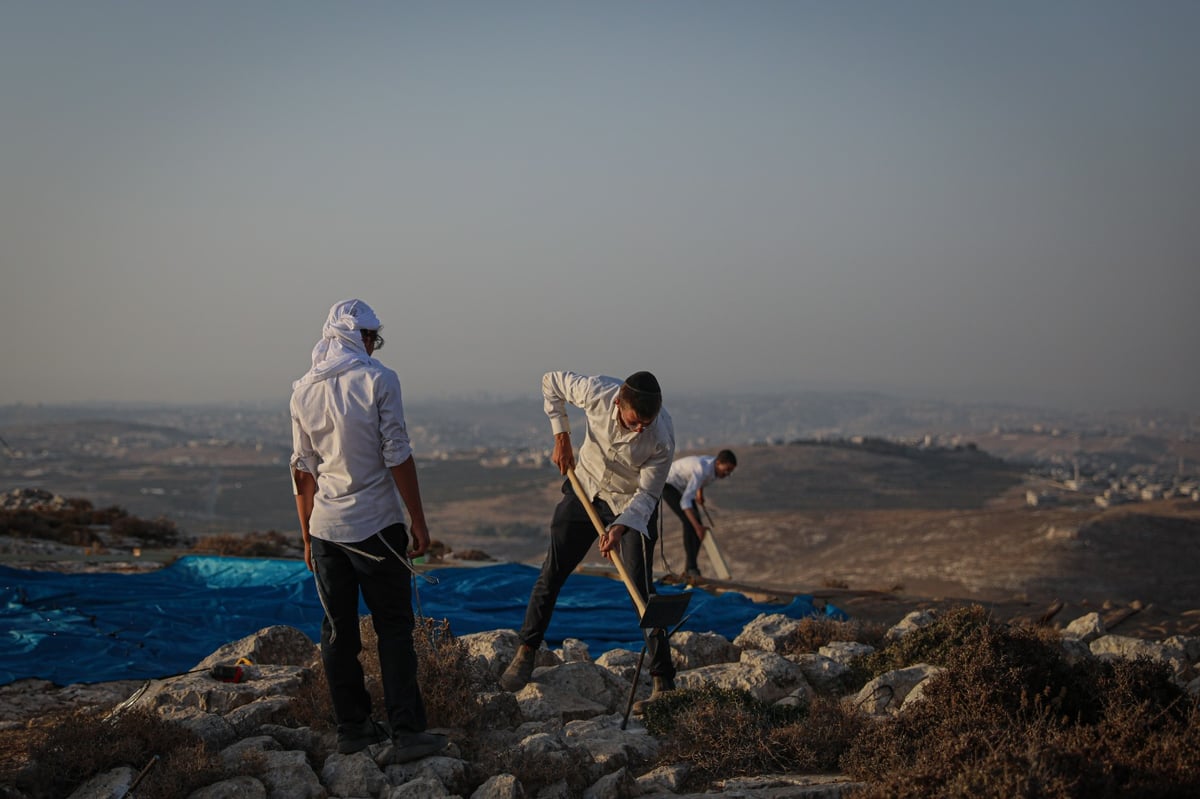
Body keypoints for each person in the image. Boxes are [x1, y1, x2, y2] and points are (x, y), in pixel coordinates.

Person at [290, 299, 448, 762]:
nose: (373, 344)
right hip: (376, 525)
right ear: (355, 337)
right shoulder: (379, 380)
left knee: (338, 632)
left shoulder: (302, 390)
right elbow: (396, 452)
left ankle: (353, 729)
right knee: (394, 629)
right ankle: (407, 732)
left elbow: (303, 471)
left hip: (325, 531)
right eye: (369, 336)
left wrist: (305, 538)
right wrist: (417, 520)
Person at [500, 370, 678, 712]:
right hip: (586, 489)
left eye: (647, 421)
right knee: (552, 572)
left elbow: (648, 494)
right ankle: (526, 650)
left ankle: (663, 681)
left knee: (640, 589)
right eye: (635, 420)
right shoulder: (597, 391)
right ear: (618, 403)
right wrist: (561, 436)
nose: (641, 427)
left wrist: (620, 527)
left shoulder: (662, 436)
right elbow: (550, 381)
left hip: (630, 505)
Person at [662, 450, 738, 577]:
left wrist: (699, 494)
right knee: (690, 523)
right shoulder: (702, 469)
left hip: (682, 487)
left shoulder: (712, 466)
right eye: (727, 469)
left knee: (697, 524)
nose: (727, 474)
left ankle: (690, 567)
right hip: (668, 484)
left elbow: (698, 482)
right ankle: (691, 568)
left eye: (730, 472)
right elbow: (685, 502)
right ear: (719, 463)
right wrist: (697, 527)